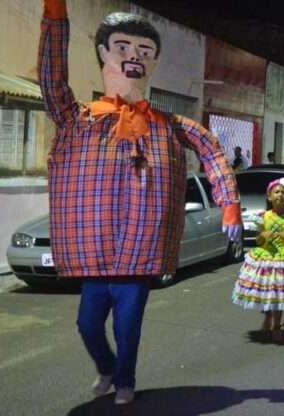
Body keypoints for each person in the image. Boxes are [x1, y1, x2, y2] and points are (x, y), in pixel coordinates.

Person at [38, 0, 243, 405]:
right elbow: (51, 77)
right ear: (103, 53)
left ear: (154, 62)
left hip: (140, 249)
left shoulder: (170, 126)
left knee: (129, 324)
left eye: (144, 51)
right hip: (94, 250)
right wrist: (55, 12)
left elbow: (213, 154)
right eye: (123, 47)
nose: (134, 57)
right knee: (87, 324)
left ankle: (126, 380)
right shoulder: (77, 118)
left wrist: (229, 204)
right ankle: (106, 367)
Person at [233, 181, 284, 341]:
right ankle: (268, 316)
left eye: (283, 192)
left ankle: (276, 325)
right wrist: (263, 236)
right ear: (269, 197)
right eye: (276, 192)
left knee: (279, 295)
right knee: (269, 292)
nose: (280, 195)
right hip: (267, 259)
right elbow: (259, 241)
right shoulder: (264, 217)